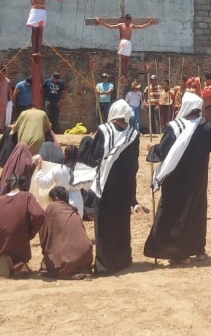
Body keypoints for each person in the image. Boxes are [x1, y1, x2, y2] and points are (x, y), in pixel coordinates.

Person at [144, 92, 211, 264]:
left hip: (176, 179)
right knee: (196, 211)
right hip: (197, 179)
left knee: (176, 211)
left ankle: (180, 253)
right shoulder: (206, 126)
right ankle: (199, 250)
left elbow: (162, 152)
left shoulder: (175, 127)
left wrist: (151, 147)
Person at [83, 99, 140, 275]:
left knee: (105, 225)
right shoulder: (134, 134)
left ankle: (105, 264)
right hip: (124, 185)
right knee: (121, 223)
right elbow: (134, 164)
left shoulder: (103, 131)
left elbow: (93, 158)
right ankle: (123, 259)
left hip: (105, 186)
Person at [0, 174, 45, 278]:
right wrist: (30, 232)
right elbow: (39, 215)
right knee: (19, 258)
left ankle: (0, 263)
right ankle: (17, 266)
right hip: (18, 235)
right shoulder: (27, 196)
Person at [0, 0, 77, 56]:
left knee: (34, 32)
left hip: (35, 12)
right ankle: (38, 51)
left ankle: (34, 52)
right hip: (42, 12)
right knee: (40, 33)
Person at [39, 186, 93, 279]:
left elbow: (44, 233)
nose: (49, 202)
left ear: (55, 199)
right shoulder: (74, 210)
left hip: (67, 260)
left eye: (49, 199)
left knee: (49, 263)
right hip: (85, 257)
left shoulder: (53, 206)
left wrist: (46, 250)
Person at [33, 145, 84, 216]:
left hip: (62, 202)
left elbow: (44, 182)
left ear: (65, 155)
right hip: (78, 203)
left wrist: (40, 167)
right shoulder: (82, 170)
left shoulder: (59, 170)